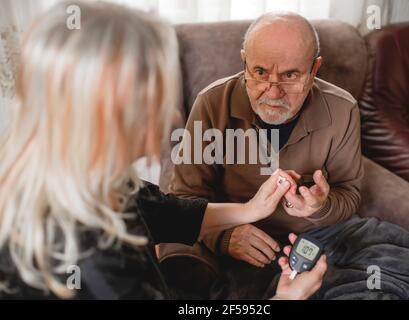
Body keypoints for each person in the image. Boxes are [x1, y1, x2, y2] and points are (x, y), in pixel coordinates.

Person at [0, 2, 326, 299]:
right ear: (103, 114)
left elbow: (163, 212)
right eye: (154, 99)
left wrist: (251, 209)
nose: (169, 115)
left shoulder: (84, 182)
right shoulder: (92, 259)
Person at [164, 12, 409, 299]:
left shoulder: (342, 108)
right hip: (243, 239)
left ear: (314, 69)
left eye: (290, 75)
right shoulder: (211, 103)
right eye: (260, 72)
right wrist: (224, 238)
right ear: (244, 63)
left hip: (321, 234)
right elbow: (185, 199)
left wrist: (321, 206)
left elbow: (349, 195)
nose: (273, 93)